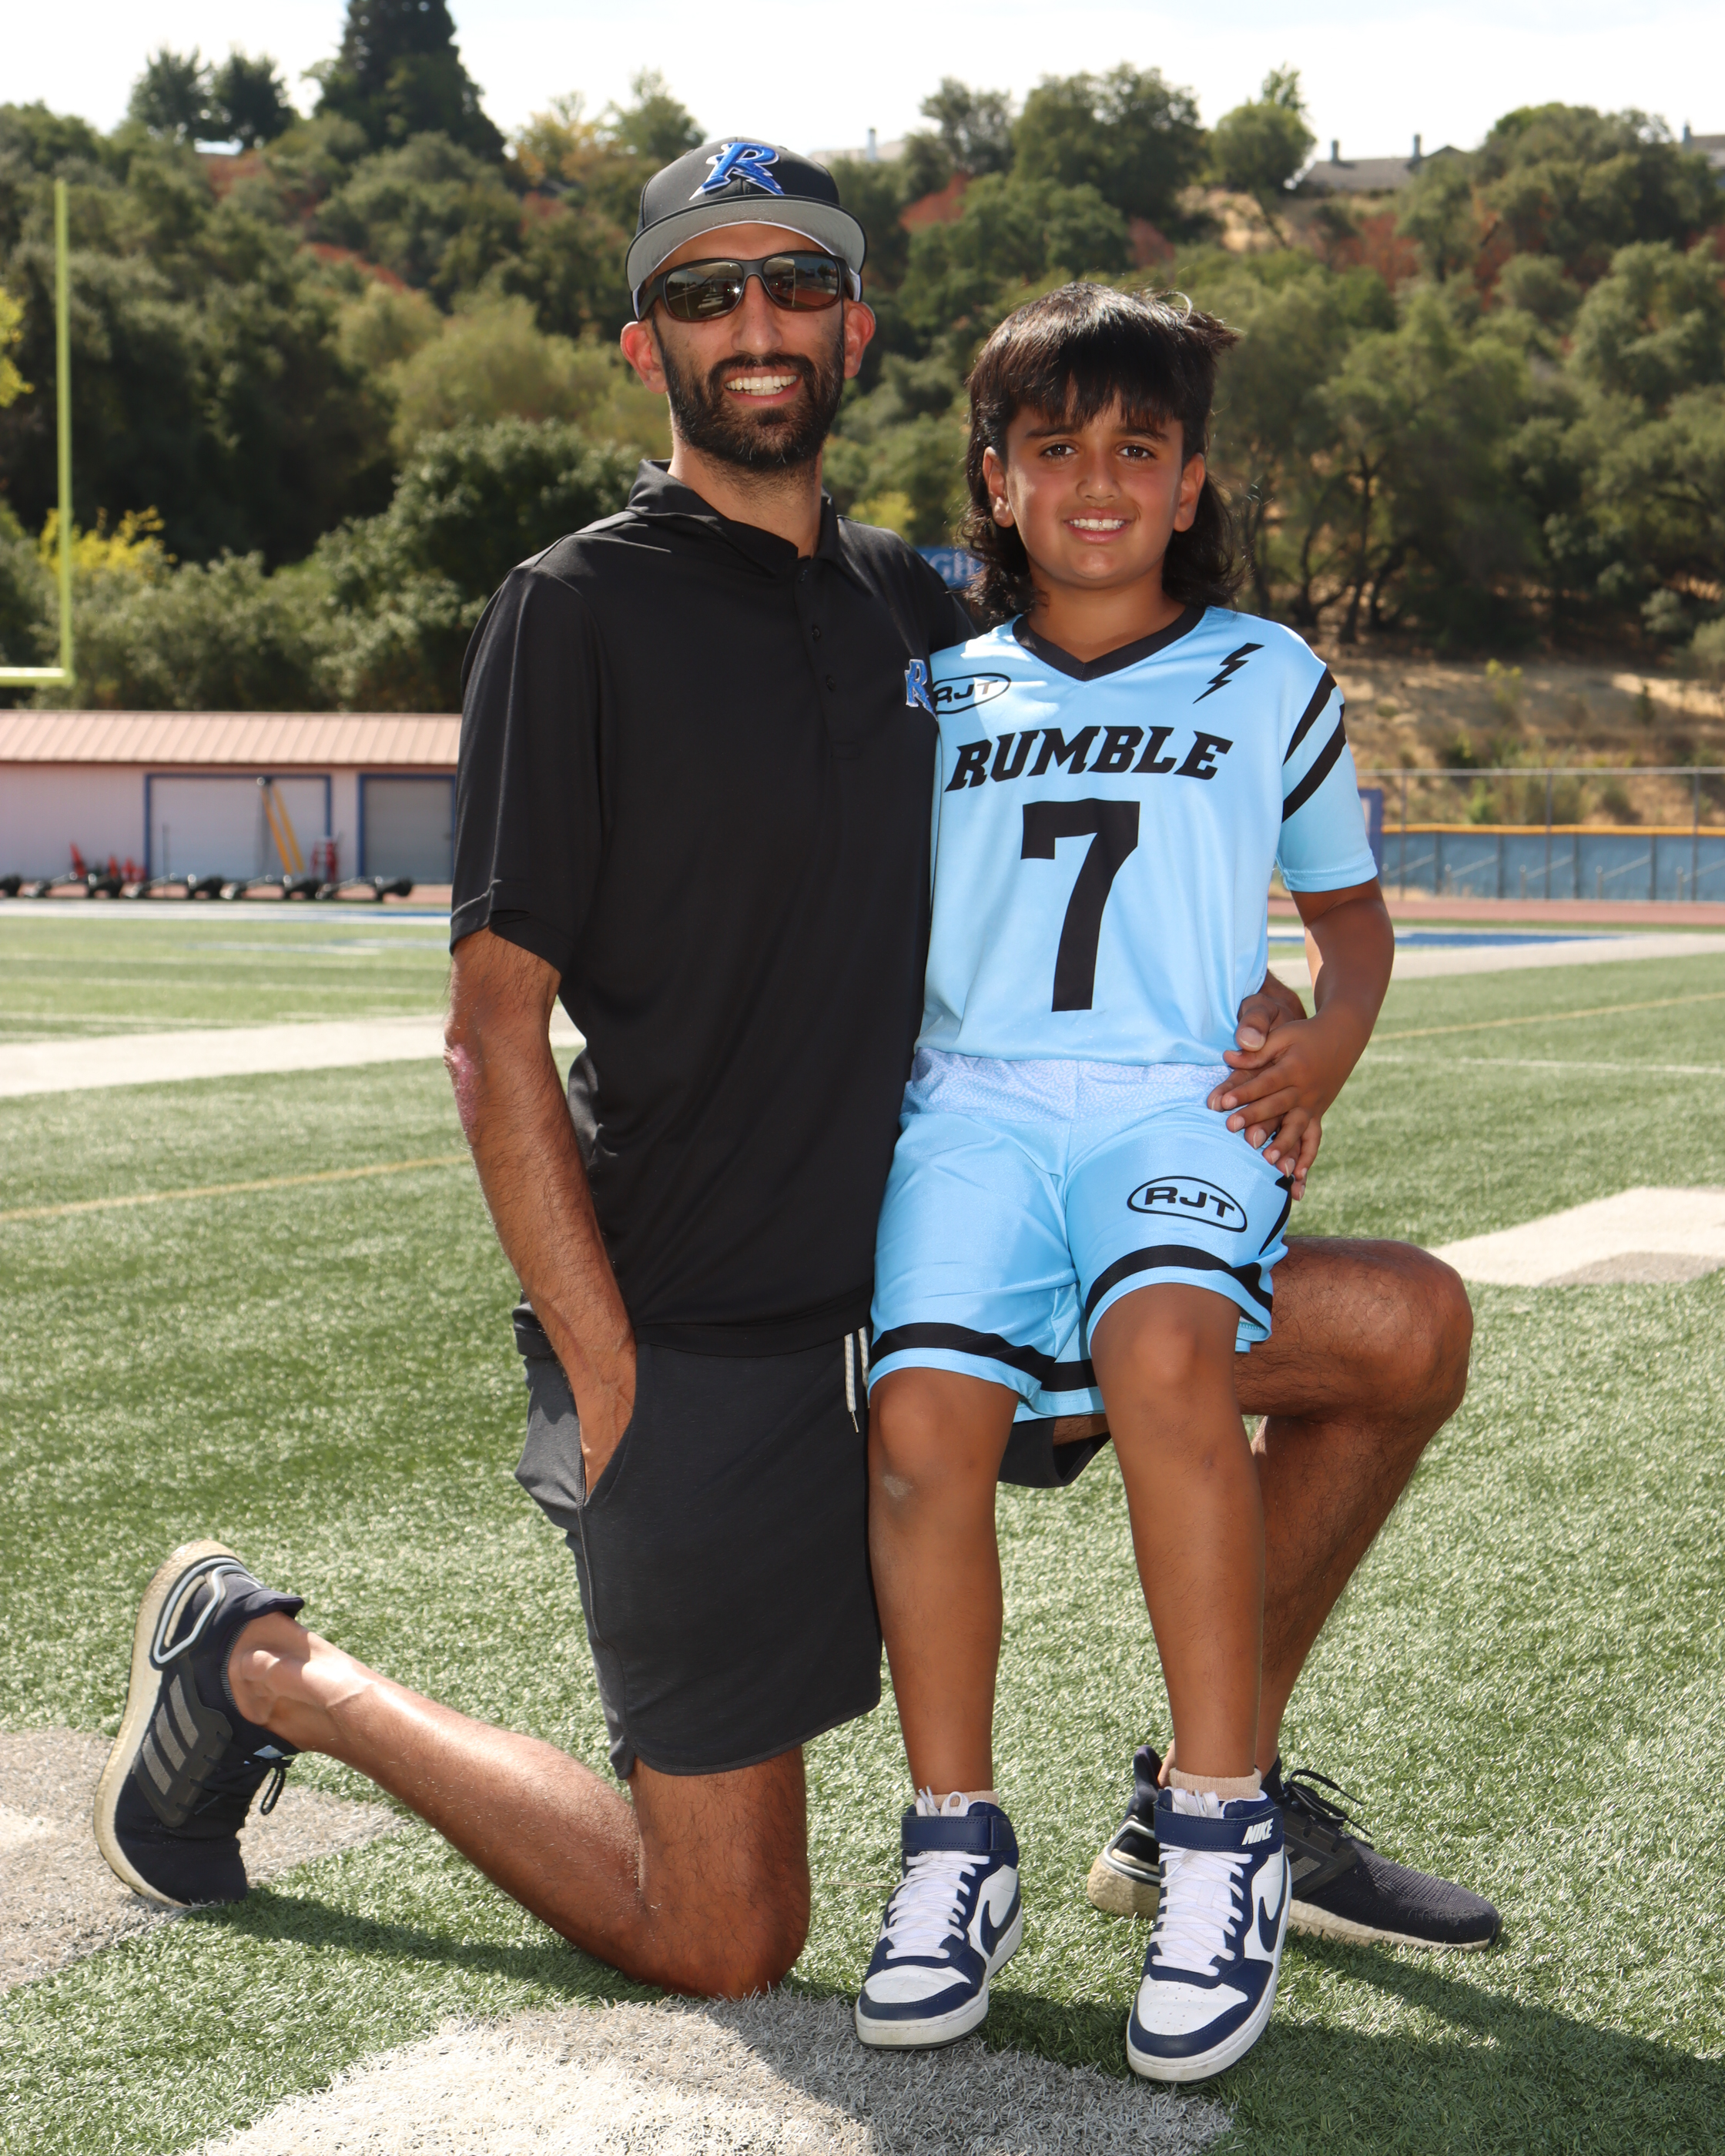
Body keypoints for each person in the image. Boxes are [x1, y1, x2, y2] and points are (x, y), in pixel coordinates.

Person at [92, 139, 1490, 2001]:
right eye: (704, 289)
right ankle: (268, 1668)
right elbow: (492, 1032)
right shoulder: (572, 611)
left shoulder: (926, 616)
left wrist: (1259, 1006)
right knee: (726, 1930)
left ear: (853, 326)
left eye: (794, 282)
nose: (753, 320)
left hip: (962, 1246)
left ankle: (1198, 1799)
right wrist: (605, 1368)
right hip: (714, 1315)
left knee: (1399, 1330)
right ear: (643, 342)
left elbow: (1107, 802)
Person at [851, 283, 1393, 2081]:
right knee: (918, 1426)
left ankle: (1218, 1823)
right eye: (1055, 446)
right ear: (995, 480)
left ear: (1189, 482)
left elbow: (1350, 926)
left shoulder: (1265, 672)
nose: (1097, 481)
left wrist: (1322, 1042)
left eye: (1136, 448)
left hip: (1175, 1097)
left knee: (1166, 1357)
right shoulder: (935, 686)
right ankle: (955, 1840)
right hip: (974, 1102)